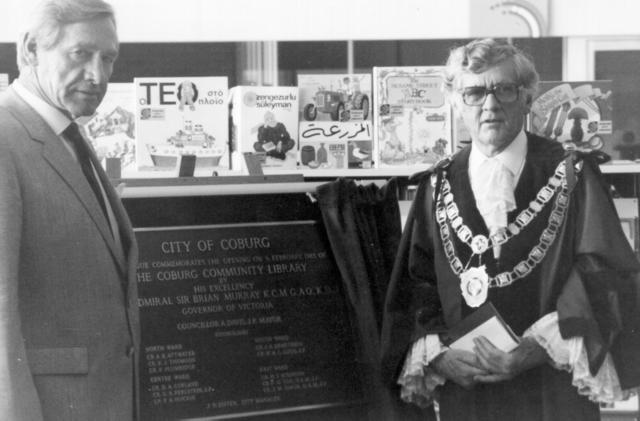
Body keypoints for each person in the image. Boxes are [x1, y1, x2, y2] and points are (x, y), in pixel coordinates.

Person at [381, 38, 640, 421]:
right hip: (466, 398)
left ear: (527, 98)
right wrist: (440, 356)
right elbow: (416, 288)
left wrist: (536, 349)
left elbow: (605, 279)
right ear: (456, 102)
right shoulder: (436, 185)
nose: (489, 104)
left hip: (551, 393)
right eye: (473, 92)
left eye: (504, 89)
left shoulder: (573, 174)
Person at [0, 0, 139, 419]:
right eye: (80, 53)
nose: (98, 75)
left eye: (108, 58)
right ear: (29, 49)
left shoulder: (66, 135)